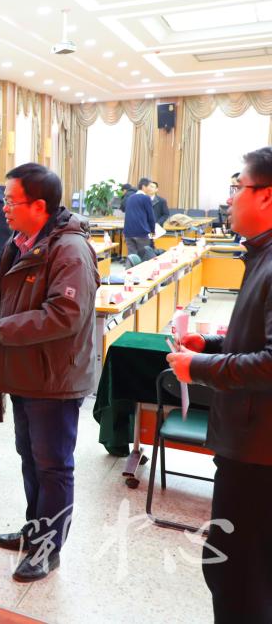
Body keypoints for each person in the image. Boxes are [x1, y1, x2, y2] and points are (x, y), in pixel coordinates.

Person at [0, 163, 99, 583]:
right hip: (25, 370)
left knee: (53, 465)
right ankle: (36, 530)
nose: (4, 208)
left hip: (53, 377)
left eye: (12, 201)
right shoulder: (21, 241)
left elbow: (64, 314)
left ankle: (49, 549)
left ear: (39, 206)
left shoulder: (70, 250)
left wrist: (1, 329)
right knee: (30, 457)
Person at [165, 146, 272, 623]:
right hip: (249, 443)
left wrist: (199, 368)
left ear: (266, 196)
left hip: (259, 452)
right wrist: (209, 344)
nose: (229, 199)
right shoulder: (260, 254)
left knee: (236, 574)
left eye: (237, 187)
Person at [123, 177, 156, 260]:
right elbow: (151, 218)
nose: (151, 188)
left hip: (128, 232)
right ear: (144, 187)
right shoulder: (146, 198)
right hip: (141, 233)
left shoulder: (130, 198)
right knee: (144, 258)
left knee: (132, 258)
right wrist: (153, 233)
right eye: (150, 186)